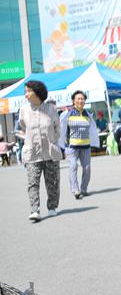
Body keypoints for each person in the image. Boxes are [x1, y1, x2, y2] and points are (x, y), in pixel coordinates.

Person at [19, 80, 63, 222]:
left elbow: (57, 129)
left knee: (53, 182)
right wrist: (29, 140)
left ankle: (52, 207)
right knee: (32, 182)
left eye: (28, 91)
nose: (26, 95)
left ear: (37, 92)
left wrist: (52, 141)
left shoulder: (51, 109)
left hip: (50, 152)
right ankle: (35, 210)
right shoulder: (23, 110)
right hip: (32, 152)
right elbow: (23, 127)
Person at [59, 91, 99, 199]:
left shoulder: (87, 114)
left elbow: (92, 129)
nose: (81, 101)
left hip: (86, 146)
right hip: (71, 146)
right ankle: (75, 189)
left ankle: (84, 189)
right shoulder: (68, 113)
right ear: (73, 101)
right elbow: (60, 126)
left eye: (82, 99)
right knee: (73, 166)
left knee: (87, 168)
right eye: (78, 99)